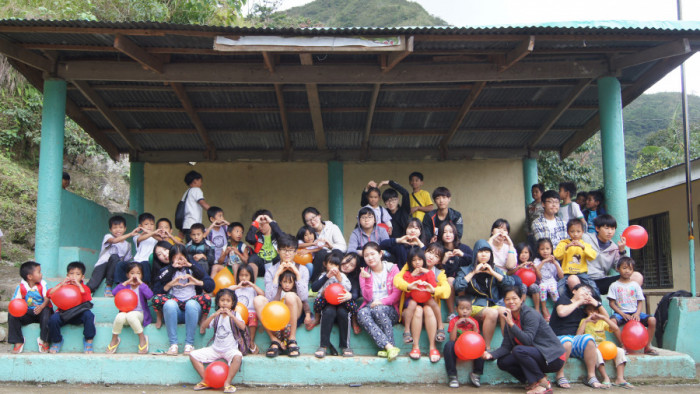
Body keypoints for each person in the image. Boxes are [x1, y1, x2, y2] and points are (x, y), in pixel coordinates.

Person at [483, 286, 567, 394]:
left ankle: (543, 383)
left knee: (518, 350)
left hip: (553, 357)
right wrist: (491, 355)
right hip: (535, 355)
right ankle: (533, 381)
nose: (511, 302)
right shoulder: (510, 318)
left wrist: (511, 324)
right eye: (507, 299)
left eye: (514, 298)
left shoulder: (529, 314)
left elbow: (527, 340)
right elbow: (506, 347)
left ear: (521, 299)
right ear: (503, 301)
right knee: (503, 361)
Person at [253, 233, 310, 358]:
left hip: (295, 309)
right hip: (275, 312)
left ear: (295, 252)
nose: (287, 254)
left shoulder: (303, 269)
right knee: (258, 300)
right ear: (278, 251)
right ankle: (274, 340)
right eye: (284, 250)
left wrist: (297, 275)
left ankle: (292, 339)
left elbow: (304, 296)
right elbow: (269, 298)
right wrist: (277, 275)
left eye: (290, 250)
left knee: (290, 296)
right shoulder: (271, 270)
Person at [153, 244, 214, 356]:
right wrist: (171, 282)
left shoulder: (194, 267)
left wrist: (196, 280)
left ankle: (189, 344)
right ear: (171, 258)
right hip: (175, 311)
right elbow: (156, 292)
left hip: (192, 310)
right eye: (176, 258)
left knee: (193, 303)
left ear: (186, 257)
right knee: (169, 304)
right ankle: (173, 345)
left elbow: (210, 286)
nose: (179, 261)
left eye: (181, 258)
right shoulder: (166, 270)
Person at [454, 239, 514, 350]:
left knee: (505, 312)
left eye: (487, 252)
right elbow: (458, 286)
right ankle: (486, 348)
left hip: (492, 304)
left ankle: (508, 347)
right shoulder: (465, 269)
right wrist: (473, 273)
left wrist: (493, 273)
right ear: (475, 253)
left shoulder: (494, 269)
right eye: (480, 251)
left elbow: (511, 283)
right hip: (473, 305)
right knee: (492, 313)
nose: (484, 254)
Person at [549, 283, 608, 389]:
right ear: (574, 291)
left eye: (589, 293)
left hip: (574, 341)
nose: (586, 293)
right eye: (584, 290)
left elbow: (606, 319)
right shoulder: (563, 300)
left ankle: (591, 376)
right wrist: (579, 302)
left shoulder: (583, 311)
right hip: (557, 340)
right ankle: (560, 375)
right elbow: (562, 312)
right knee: (567, 341)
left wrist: (596, 303)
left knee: (589, 339)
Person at [190, 288, 247, 394]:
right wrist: (213, 315)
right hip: (215, 349)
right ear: (218, 302)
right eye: (222, 300)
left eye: (228, 301)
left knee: (238, 357)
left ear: (232, 303)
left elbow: (243, 327)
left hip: (230, 349)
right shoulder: (216, 316)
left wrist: (232, 316)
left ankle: (227, 383)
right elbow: (204, 326)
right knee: (193, 355)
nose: (225, 303)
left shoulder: (235, 314)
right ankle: (206, 380)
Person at [357, 242, 401, 361]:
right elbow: (367, 298)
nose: (370, 258)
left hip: (390, 309)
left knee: (378, 309)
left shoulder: (392, 268)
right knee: (361, 313)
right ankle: (389, 346)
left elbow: (396, 295)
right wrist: (367, 280)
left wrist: (381, 302)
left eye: (373, 254)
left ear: (380, 254)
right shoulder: (364, 272)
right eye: (366, 255)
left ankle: (390, 345)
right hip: (371, 306)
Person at [398, 247, 442, 362]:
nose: (417, 262)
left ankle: (434, 345)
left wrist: (429, 274)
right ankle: (414, 344)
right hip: (413, 301)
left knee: (429, 307)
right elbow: (405, 287)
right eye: (414, 260)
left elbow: (434, 287)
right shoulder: (408, 273)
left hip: (425, 299)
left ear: (423, 260)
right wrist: (413, 276)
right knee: (415, 307)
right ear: (410, 262)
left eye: (419, 260)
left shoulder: (427, 273)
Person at [607, 257, 658, 355]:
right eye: (624, 268)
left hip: (635, 312)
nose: (627, 271)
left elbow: (640, 301)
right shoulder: (614, 285)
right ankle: (623, 346)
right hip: (621, 313)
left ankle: (647, 347)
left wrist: (637, 313)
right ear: (618, 269)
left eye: (630, 269)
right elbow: (611, 303)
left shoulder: (635, 285)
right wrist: (623, 314)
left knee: (652, 320)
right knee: (612, 321)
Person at [583, 214, 643, 296]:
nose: (610, 232)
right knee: (573, 279)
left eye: (613, 228)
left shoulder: (614, 248)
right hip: (583, 279)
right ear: (597, 228)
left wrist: (622, 251)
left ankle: (626, 305)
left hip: (600, 282)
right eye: (606, 228)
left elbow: (622, 269)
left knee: (637, 276)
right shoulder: (585, 238)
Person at [577, 304, 632, 388]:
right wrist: (585, 322)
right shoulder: (584, 321)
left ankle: (620, 378)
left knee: (620, 351)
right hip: (592, 348)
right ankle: (605, 377)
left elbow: (615, 328)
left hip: (604, 346)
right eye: (589, 310)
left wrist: (604, 318)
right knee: (597, 352)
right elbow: (578, 336)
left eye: (595, 310)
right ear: (585, 311)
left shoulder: (602, 322)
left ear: (598, 311)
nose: (593, 312)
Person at [312, 250, 354, 358]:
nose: (333, 267)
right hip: (327, 304)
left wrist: (339, 278)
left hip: (341, 303)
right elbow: (314, 288)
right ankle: (323, 346)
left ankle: (345, 346)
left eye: (336, 264)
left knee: (343, 313)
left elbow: (348, 289)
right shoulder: (323, 275)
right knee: (329, 312)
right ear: (325, 264)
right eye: (331, 264)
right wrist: (326, 277)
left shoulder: (343, 276)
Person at [48, 262, 95, 354]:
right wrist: (61, 284)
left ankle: (88, 340)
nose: (74, 276)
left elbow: (87, 298)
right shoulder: (63, 285)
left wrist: (79, 285)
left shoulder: (84, 287)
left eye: (77, 274)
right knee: (53, 319)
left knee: (89, 315)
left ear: (82, 277)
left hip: (78, 314)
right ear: (67, 275)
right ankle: (57, 340)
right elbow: (49, 294)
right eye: (71, 273)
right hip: (64, 313)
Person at [107, 263, 152, 354]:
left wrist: (141, 283)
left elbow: (150, 295)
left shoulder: (142, 286)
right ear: (127, 275)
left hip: (139, 314)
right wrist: (126, 282)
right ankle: (114, 339)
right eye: (132, 273)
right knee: (119, 316)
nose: (135, 275)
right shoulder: (126, 286)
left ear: (142, 275)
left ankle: (142, 338)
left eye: (138, 273)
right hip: (126, 313)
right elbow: (114, 292)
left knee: (131, 316)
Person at [9, 261, 53, 353]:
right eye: (39, 272)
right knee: (12, 314)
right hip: (28, 313)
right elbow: (15, 302)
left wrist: (41, 307)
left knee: (47, 311)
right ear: (30, 277)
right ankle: (18, 341)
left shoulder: (43, 284)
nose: (41, 274)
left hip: (41, 312)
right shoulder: (21, 287)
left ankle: (44, 340)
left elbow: (47, 298)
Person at [87, 215, 135, 297]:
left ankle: (108, 286)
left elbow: (126, 261)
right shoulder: (108, 236)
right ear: (110, 229)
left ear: (125, 228)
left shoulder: (128, 245)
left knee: (122, 262)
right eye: (115, 227)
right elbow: (114, 241)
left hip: (114, 269)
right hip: (103, 265)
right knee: (92, 286)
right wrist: (130, 234)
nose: (118, 230)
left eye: (120, 227)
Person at [443, 296, 485, 388]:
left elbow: (476, 339)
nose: (465, 311)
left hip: (471, 350)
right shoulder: (453, 321)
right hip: (458, 350)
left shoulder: (474, 322)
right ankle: (452, 376)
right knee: (448, 345)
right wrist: (456, 325)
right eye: (462, 309)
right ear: (456, 309)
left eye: (467, 309)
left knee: (482, 346)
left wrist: (474, 325)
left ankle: (476, 374)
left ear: (471, 310)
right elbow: (452, 340)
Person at [301, 207, 347, 282]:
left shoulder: (333, 228)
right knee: (321, 253)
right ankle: (316, 283)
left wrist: (331, 246)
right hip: (318, 262)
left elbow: (343, 247)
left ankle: (339, 281)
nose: (312, 221)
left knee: (337, 252)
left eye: (313, 217)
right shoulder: (308, 235)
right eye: (308, 221)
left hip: (334, 258)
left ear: (319, 216)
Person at [437, 221, 472, 320]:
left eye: (451, 232)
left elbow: (475, 260)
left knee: (460, 280)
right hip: (446, 283)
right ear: (441, 234)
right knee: (450, 280)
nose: (448, 234)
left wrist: (463, 255)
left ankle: (463, 312)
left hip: (463, 281)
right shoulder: (438, 249)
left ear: (455, 233)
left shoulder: (463, 248)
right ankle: (451, 313)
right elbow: (434, 270)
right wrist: (443, 261)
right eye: (445, 232)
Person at [553, 219, 598, 296]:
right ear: (568, 232)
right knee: (560, 290)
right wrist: (566, 247)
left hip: (581, 273)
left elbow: (593, 256)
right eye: (572, 231)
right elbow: (557, 255)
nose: (575, 234)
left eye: (578, 231)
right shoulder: (563, 243)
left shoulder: (585, 244)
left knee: (593, 287)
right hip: (567, 273)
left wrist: (583, 247)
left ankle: (597, 304)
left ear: (582, 232)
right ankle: (567, 304)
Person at [228, 263, 263, 354]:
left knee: (253, 317)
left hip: (250, 313)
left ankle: (251, 341)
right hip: (238, 314)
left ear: (251, 276)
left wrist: (253, 285)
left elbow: (263, 294)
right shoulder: (236, 288)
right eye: (241, 275)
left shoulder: (252, 288)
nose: (244, 278)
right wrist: (238, 286)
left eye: (246, 275)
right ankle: (238, 342)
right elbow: (227, 290)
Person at [114, 213, 156, 286]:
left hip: (147, 262)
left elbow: (160, 238)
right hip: (136, 262)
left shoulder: (155, 238)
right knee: (120, 264)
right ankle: (120, 285)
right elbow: (140, 239)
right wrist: (150, 232)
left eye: (152, 224)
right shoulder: (136, 236)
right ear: (140, 226)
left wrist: (153, 233)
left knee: (145, 264)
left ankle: (145, 285)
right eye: (146, 224)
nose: (149, 226)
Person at [247, 209, 285, 277]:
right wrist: (255, 222)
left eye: (262, 224)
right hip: (261, 266)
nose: (260, 227)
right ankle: (252, 283)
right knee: (252, 258)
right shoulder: (257, 235)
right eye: (258, 225)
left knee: (283, 256)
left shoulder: (276, 234)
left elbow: (283, 239)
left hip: (275, 263)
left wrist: (271, 222)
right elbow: (249, 238)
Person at [533, 238, 563, 321]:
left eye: (547, 249)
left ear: (551, 249)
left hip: (552, 282)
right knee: (542, 287)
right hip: (542, 282)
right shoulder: (537, 260)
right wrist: (544, 262)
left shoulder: (554, 261)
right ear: (538, 250)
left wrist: (556, 264)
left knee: (553, 289)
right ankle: (543, 308)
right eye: (542, 249)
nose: (545, 251)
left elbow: (561, 276)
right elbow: (535, 271)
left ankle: (558, 307)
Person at [181, 170, 211, 242]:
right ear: (195, 181)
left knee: (189, 247)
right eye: (201, 181)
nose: (201, 183)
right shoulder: (196, 190)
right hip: (194, 225)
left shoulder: (187, 192)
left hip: (186, 224)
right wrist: (213, 211)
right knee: (196, 248)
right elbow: (202, 202)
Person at [510, 243, 541, 311]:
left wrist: (535, 268)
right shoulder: (515, 264)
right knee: (523, 286)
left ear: (529, 253)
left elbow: (539, 278)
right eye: (521, 253)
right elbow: (509, 273)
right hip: (519, 287)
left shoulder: (532, 264)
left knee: (535, 287)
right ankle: (521, 307)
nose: (523, 255)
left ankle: (537, 310)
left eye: (526, 252)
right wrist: (519, 267)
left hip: (530, 286)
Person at [150, 240, 172, 328]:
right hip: (168, 299)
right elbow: (156, 291)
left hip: (185, 296)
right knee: (156, 298)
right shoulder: (160, 271)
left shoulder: (184, 263)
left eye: (166, 249)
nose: (164, 255)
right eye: (159, 254)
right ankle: (159, 317)